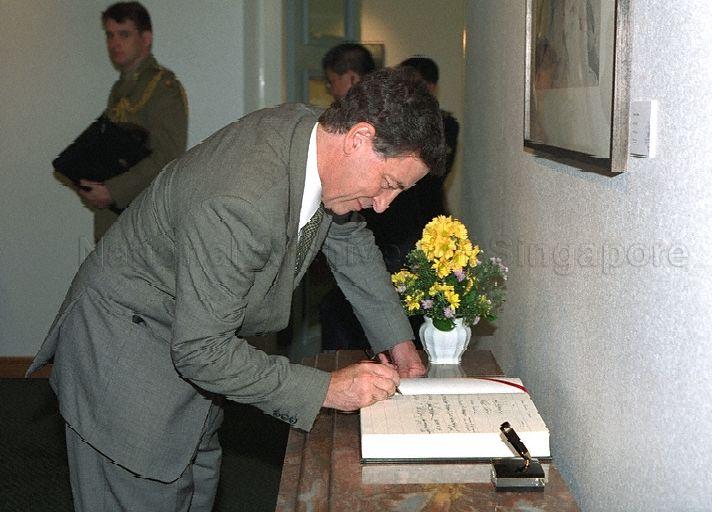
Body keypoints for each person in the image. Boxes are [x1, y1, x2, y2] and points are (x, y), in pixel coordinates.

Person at [28, 67, 444, 511]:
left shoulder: (318, 138)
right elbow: (202, 350)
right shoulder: (239, 199)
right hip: (126, 361)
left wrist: (397, 342)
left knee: (192, 487)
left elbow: (348, 239)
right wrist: (325, 390)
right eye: (388, 184)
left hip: (191, 353)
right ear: (360, 138)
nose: (384, 205)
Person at [319, 55, 460, 351]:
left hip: (405, 238)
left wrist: (401, 348)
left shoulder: (441, 131)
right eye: (386, 184)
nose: (382, 204)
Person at [75, 2, 187, 241]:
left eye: (124, 34)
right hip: (116, 223)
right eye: (110, 35)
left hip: (145, 225)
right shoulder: (120, 89)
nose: (115, 43)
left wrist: (113, 191)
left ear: (146, 38)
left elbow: (167, 156)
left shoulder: (163, 87)